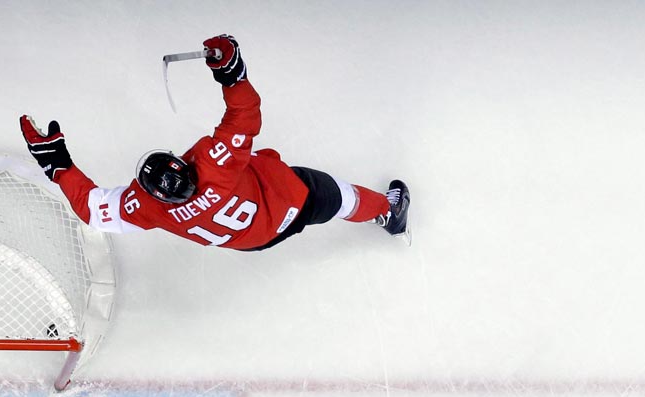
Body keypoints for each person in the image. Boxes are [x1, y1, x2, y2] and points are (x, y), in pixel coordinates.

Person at [20, 34, 410, 251]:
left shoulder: (150, 207)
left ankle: (372, 212)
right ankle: (388, 214)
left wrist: (57, 165)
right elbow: (246, 114)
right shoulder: (213, 161)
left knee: (260, 164)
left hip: (254, 242)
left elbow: (94, 209)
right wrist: (231, 73)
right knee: (339, 195)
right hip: (291, 201)